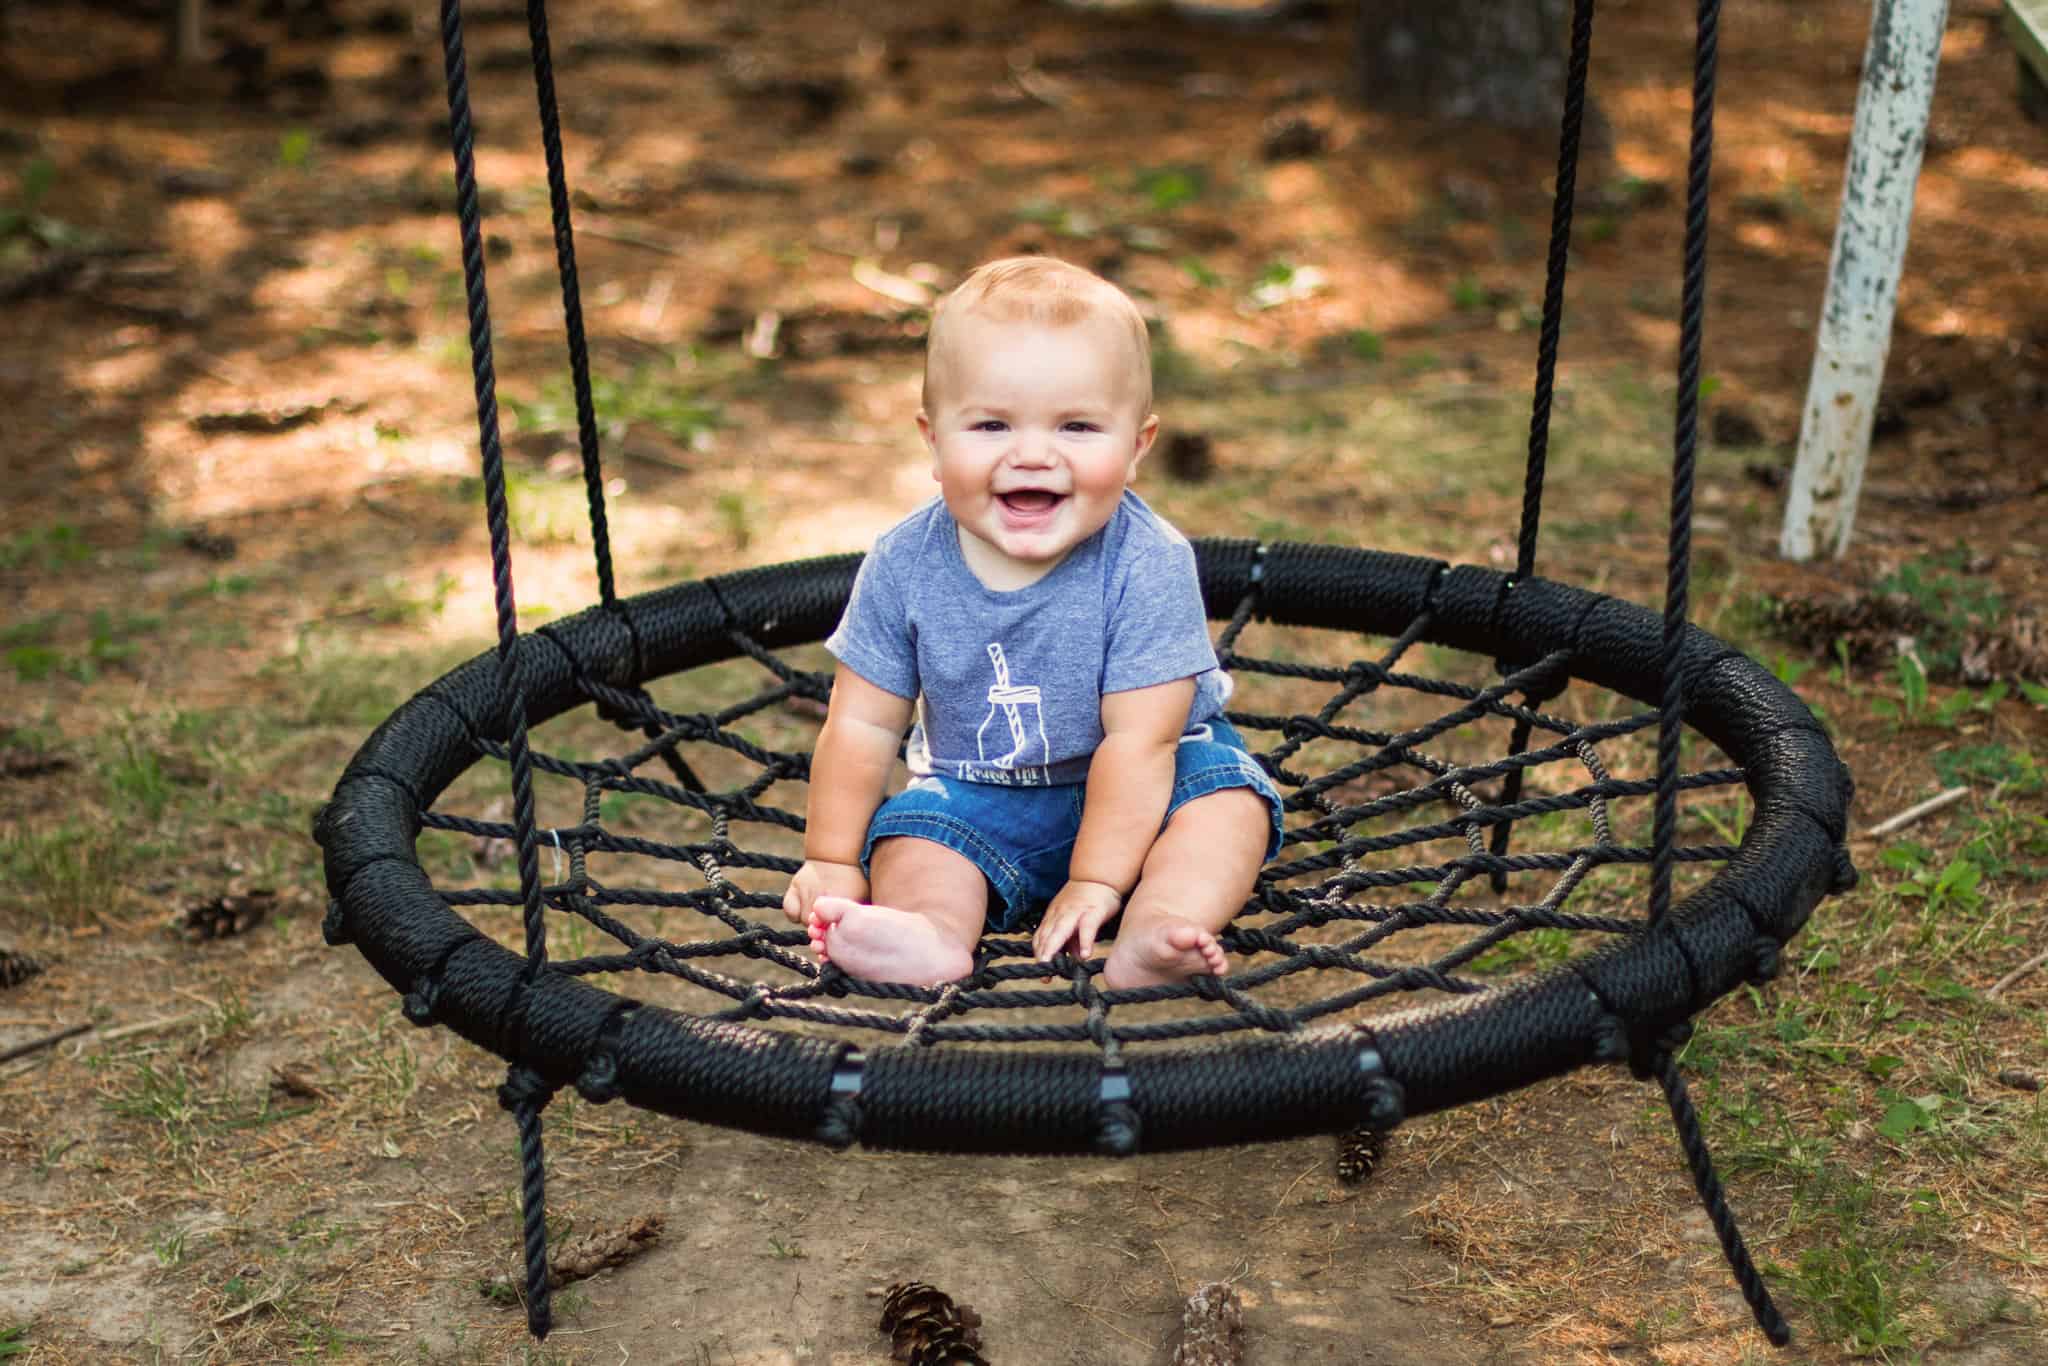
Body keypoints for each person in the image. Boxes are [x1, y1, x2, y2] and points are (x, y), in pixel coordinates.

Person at [780, 257, 1283, 987]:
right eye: (991, 424)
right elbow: (862, 724)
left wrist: (1098, 882)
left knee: (1229, 807)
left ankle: (1159, 925)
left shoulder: (1147, 562)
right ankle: (930, 934)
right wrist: (830, 855)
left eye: (1077, 426)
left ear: (1137, 447)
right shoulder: (902, 563)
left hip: (1154, 782)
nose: (1033, 455)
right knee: (914, 840)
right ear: (933, 440)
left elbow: (1145, 739)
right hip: (977, 794)